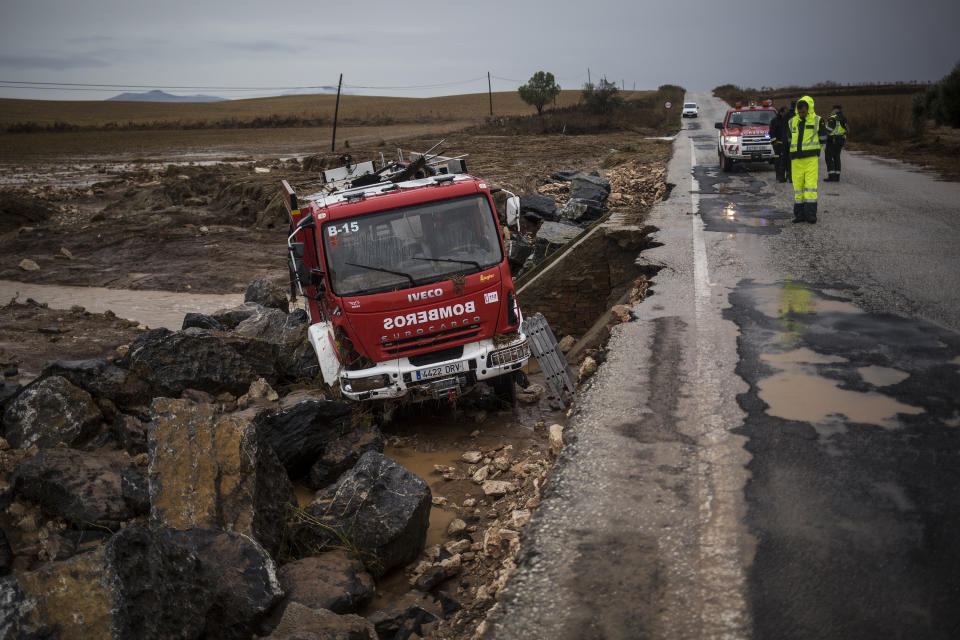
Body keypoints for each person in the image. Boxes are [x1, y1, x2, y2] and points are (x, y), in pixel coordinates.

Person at [789, 95, 832, 224]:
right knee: (798, 188)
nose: (801, 114)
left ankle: (811, 215)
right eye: (799, 112)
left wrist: (818, 150)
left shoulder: (818, 120)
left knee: (810, 187)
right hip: (796, 160)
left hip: (810, 160)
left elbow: (823, 137)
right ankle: (799, 215)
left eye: (804, 111)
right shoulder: (792, 121)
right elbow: (789, 139)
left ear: (809, 109)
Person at [824, 104, 848, 181]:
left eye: (833, 110)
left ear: (836, 110)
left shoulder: (833, 118)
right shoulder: (844, 118)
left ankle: (831, 176)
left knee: (828, 157)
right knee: (837, 157)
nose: (832, 111)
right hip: (841, 140)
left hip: (832, 140)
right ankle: (837, 176)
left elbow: (829, 130)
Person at [768, 106, 789, 182]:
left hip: (786, 144)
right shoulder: (774, 121)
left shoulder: (787, 120)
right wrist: (774, 141)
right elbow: (771, 133)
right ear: (781, 112)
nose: (786, 114)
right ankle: (779, 176)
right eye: (785, 112)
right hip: (777, 145)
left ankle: (787, 176)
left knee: (787, 160)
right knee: (778, 161)